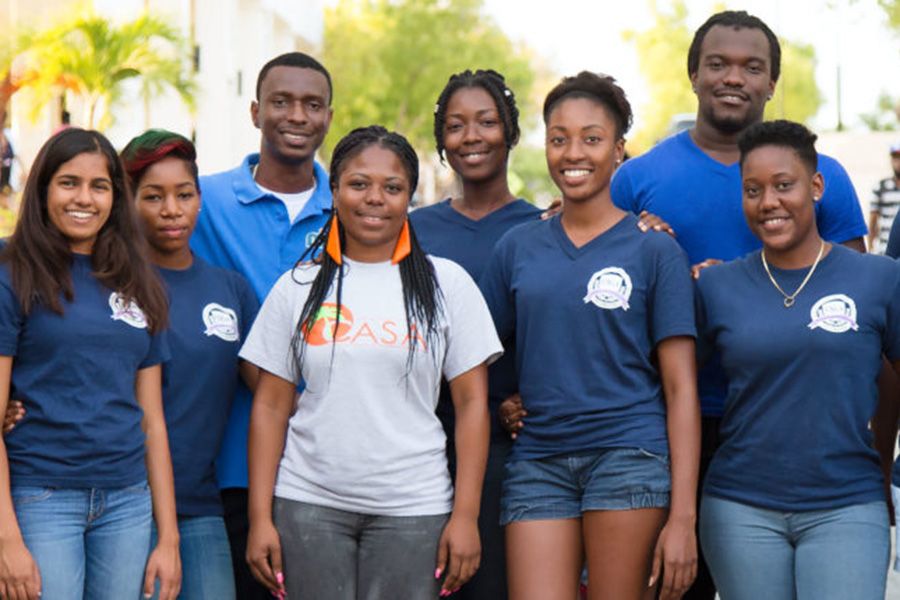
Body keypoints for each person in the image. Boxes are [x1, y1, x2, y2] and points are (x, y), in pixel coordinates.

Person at [608, 11, 868, 598]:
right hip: (671, 420)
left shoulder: (823, 176)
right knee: (676, 585)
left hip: (792, 420)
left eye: (753, 67)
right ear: (693, 74)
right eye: (718, 64)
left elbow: (857, 312)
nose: (734, 78)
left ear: (773, 81)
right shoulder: (637, 179)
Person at [241, 125, 501, 600]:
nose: (374, 198)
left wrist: (465, 516)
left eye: (392, 187)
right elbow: (271, 406)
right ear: (334, 191)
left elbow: (471, 406)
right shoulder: (298, 286)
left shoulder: (449, 284)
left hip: (415, 507)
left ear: (410, 196)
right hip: (309, 504)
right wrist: (260, 519)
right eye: (359, 184)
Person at [480, 72, 700, 600]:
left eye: (591, 138)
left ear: (619, 149)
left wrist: (684, 519)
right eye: (559, 138)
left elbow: (681, 389)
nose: (573, 152)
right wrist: (501, 403)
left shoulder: (654, 249)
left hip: (629, 458)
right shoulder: (518, 247)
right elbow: (478, 356)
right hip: (538, 460)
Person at [695, 119, 898, 600]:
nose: (769, 202)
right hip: (739, 507)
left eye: (783, 185)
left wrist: (883, 470)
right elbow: (666, 385)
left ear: (816, 186)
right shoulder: (716, 286)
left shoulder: (878, 279)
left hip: (847, 502)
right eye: (753, 190)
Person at [0, 128, 179, 600]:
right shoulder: (11, 271)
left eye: (99, 186)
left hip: (128, 501)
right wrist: (7, 539)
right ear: (42, 190)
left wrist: (169, 537)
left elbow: (152, 422)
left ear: (115, 197)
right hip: (42, 496)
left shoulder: (139, 280)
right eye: (68, 183)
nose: (85, 198)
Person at [191, 51, 334, 599]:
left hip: (327, 469)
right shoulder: (201, 202)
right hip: (227, 466)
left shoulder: (355, 210)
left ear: (327, 117)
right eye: (281, 101)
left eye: (312, 104)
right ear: (255, 112)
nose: (297, 115)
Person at [410, 68, 540, 600]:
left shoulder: (543, 227)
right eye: (456, 125)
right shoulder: (413, 229)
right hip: (419, 442)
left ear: (509, 130)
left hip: (509, 447)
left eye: (486, 122)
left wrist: (530, 394)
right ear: (441, 139)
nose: (471, 137)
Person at [121, 129, 260, 599]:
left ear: (200, 198)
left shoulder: (231, 290)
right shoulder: (111, 286)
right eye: (153, 196)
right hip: (119, 503)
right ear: (128, 200)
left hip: (199, 504)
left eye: (184, 194)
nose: (171, 210)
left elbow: (273, 392)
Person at [876, 142, 900, 257]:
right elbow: (873, 220)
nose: (898, 162)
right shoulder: (880, 187)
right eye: (896, 158)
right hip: (884, 250)